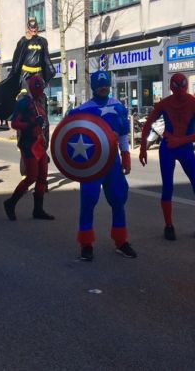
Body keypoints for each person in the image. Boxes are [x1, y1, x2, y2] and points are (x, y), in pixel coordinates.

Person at [71, 71, 136, 261]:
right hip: (91, 164)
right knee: (88, 201)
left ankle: (121, 241)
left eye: (106, 84)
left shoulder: (117, 106)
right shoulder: (83, 110)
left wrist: (126, 156)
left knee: (118, 199)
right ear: (93, 87)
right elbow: (70, 132)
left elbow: (123, 133)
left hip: (112, 162)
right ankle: (86, 243)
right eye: (100, 85)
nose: (103, 87)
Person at [139, 73, 195, 240]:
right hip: (173, 147)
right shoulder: (171, 103)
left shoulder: (192, 104)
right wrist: (142, 148)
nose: (179, 96)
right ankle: (171, 225)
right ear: (172, 88)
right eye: (177, 92)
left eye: (181, 92)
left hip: (177, 147)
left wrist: (179, 140)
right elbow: (148, 123)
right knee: (169, 188)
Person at [0, 17, 55, 121]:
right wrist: (16, 73)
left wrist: (51, 70)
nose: (34, 30)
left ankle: (39, 117)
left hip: (38, 74)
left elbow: (45, 58)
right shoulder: (23, 41)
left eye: (35, 28)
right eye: (31, 28)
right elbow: (17, 58)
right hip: (26, 74)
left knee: (39, 98)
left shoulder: (43, 41)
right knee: (27, 97)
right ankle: (25, 117)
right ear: (28, 28)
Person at [2, 75, 54, 221]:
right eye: (40, 88)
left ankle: (38, 210)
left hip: (39, 143)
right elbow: (15, 124)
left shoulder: (39, 102)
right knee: (32, 176)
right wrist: (31, 124)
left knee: (43, 176)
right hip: (28, 144)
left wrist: (44, 137)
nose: (42, 91)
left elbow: (42, 124)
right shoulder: (24, 102)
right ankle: (11, 203)